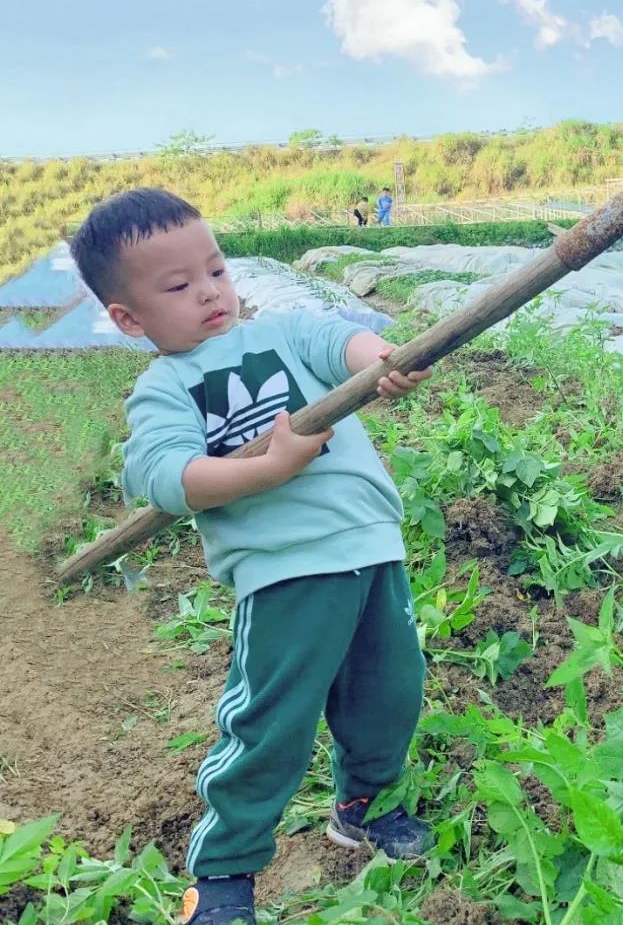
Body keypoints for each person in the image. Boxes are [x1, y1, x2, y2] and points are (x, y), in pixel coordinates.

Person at [69, 188, 434, 925]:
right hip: (283, 573)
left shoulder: (284, 333)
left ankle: (362, 806)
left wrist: (383, 361)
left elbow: (344, 344)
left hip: (371, 548)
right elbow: (172, 479)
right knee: (270, 720)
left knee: (389, 693)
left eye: (216, 270)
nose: (209, 291)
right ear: (128, 318)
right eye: (178, 285)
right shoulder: (165, 387)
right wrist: (272, 467)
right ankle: (225, 870)